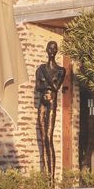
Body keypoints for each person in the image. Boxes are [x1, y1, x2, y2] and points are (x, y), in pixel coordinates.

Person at [33, 40, 65, 174]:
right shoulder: (40, 69)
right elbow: (38, 87)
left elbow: (56, 88)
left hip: (52, 103)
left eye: (54, 49)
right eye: (50, 48)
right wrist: (47, 84)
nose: (52, 51)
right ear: (46, 50)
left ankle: (51, 177)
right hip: (42, 103)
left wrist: (46, 83)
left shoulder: (61, 70)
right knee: (42, 138)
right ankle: (45, 173)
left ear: (57, 51)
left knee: (48, 137)